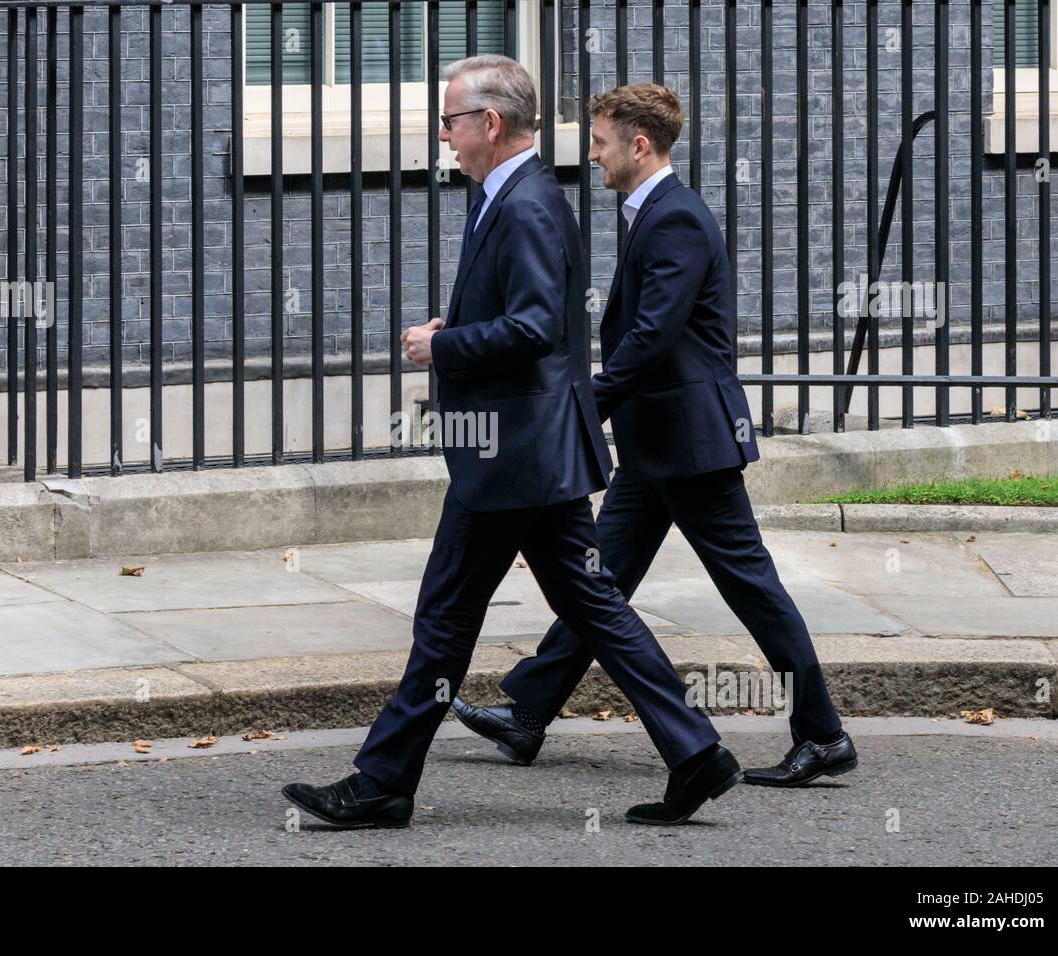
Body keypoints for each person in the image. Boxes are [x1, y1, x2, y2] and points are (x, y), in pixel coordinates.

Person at [281, 59, 741, 830]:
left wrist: (445, 344)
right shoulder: (511, 196)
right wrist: (453, 331)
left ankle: (382, 780)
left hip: (514, 452)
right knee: (592, 604)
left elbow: (532, 329)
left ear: (489, 123)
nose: (446, 136)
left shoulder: (524, 204)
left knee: (445, 616)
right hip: (534, 447)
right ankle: (696, 752)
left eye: (452, 121)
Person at [451, 83, 858, 789]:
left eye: (603, 144)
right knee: (594, 583)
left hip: (691, 445)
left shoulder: (676, 220)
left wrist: (583, 404)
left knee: (749, 585)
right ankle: (528, 713)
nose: (595, 158)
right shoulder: (654, 215)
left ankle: (821, 733)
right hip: (655, 446)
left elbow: (648, 340)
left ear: (640, 145)